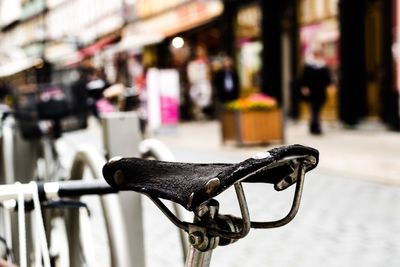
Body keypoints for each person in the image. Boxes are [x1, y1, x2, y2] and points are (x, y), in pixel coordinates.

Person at [301, 46, 332, 135]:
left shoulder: (323, 65)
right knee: (313, 109)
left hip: (321, 91)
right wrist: (304, 87)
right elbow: (304, 77)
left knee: (318, 109)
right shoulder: (308, 65)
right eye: (315, 53)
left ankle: (314, 125)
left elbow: (327, 78)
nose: (317, 55)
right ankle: (315, 126)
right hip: (311, 91)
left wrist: (329, 85)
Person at [187, 46, 212, 120]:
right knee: (196, 98)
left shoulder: (206, 62)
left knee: (204, 98)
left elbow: (208, 74)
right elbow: (191, 74)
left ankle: (202, 113)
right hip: (196, 83)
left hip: (204, 83)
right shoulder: (193, 63)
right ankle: (197, 113)